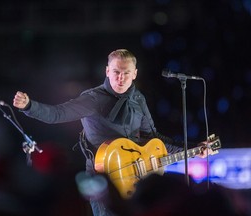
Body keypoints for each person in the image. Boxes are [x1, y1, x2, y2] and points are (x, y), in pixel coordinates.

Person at [13, 49, 211, 216]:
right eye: (116, 72)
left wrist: (194, 148)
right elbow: (57, 113)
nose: (120, 78)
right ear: (107, 71)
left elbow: (154, 140)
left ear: (135, 74)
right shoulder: (93, 99)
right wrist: (29, 106)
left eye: (126, 73)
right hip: (102, 178)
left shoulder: (138, 99)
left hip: (135, 180)